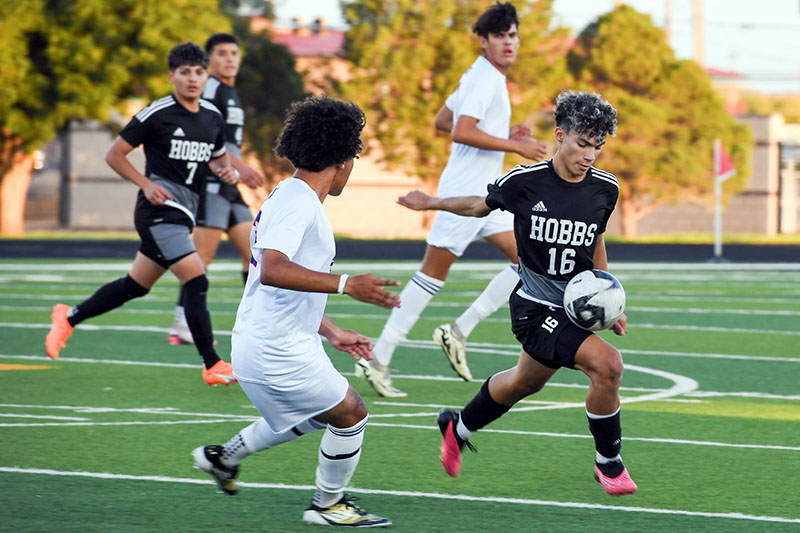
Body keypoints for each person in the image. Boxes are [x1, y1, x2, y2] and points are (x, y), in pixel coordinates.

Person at [397, 90, 638, 496]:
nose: (590, 155)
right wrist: (430, 202)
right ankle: (608, 463)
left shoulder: (606, 188)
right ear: (560, 136)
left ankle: (457, 428)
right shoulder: (525, 181)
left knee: (523, 383)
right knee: (608, 365)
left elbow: (596, 240)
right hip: (534, 306)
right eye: (582, 144)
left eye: (597, 146)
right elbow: (478, 206)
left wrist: (606, 301)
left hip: (575, 307)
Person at [192, 96, 400, 527]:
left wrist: (331, 330)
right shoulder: (299, 201)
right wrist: (347, 285)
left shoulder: (291, 195)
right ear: (342, 159)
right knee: (351, 413)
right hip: (274, 347)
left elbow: (280, 282)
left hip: (269, 340)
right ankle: (327, 505)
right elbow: (273, 270)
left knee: (313, 415)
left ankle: (223, 458)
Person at [357, 1, 548, 398]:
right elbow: (460, 131)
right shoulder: (484, 79)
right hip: (466, 191)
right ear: (483, 41)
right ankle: (377, 358)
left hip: (487, 194)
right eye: (500, 36)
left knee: (532, 261)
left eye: (513, 34)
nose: (509, 42)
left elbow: (442, 121)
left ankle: (457, 330)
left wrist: (503, 133)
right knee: (429, 278)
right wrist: (514, 145)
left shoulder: (481, 76)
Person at [45, 42, 239, 386]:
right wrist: (146, 183)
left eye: (198, 72)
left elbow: (218, 158)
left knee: (135, 286)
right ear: (171, 76)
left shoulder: (212, 116)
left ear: (205, 75)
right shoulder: (157, 113)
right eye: (184, 72)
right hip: (157, 211)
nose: (192, 79)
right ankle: (212, 363)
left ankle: (68, 317)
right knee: (196, 279)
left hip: (184, 213)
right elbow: (115, 154)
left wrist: (228, 172)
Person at [167, 32, 265, 345]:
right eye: (222, 53)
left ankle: (257, 320)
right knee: (202, 256)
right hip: (211, 181)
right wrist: (241, 166)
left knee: (255, 250)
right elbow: (203, 132)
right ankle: (182, 323)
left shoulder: (229, 92)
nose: (230, 59)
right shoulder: (210, 88)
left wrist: (237, 168)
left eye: (234, 53)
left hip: (228, 183)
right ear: (210, 61)